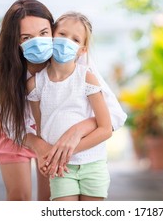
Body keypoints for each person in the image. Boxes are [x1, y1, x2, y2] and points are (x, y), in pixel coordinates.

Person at [0, 0, 127, 201]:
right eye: (26, 37)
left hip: (55, 129)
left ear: (52, 30)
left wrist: (77, 131)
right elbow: (11, 125)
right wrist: (42, 147)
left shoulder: (75, 59)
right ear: (14, 41)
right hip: (14, 128)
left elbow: (114, 114)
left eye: (44, 33)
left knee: (50, 197)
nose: (37, 41)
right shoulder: (2, 72)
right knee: (20, 197)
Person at [27, 11, 116, 201]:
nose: (67, 41)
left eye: (75, 39)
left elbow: (106, 129)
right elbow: (40, 128)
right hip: (61, 169)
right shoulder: (35, 85)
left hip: (93, 165)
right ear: (51, 36)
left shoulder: (87, 78)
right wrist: (51, 156)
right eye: (62, 34)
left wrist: (64, 152)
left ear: (82, 50)